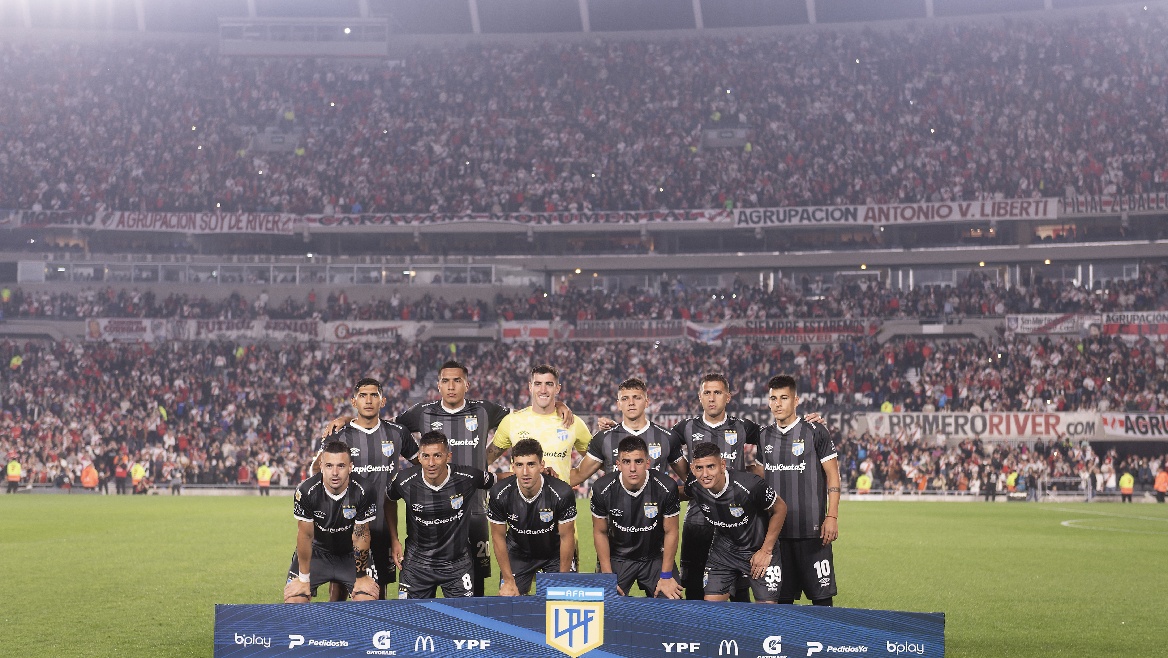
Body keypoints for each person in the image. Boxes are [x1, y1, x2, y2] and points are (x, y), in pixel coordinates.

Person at [322, 360, 572, 596]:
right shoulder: (422, 412)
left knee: (475, 581)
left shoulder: (485, 410)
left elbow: (524, 415)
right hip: (434, 507)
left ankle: (473, 634)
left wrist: (556, 406)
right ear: (438, 385)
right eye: (446, 381)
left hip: (475, 510)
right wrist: (347, 420)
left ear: (467, 384)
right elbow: (380, 423)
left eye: (457, 381)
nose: (451, 386)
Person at [314, 377, 419, 600]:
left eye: (374, 395)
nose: (369, 400)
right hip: (343, 527)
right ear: (354, 401)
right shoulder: (340, 434)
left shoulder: (397, 433)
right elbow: (317, 471)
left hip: (382, 526)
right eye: (363, 395)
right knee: (339, 590)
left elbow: (426, 465)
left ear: (383, 401)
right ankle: (338, 634)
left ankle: (376, 635)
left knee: (378, 591)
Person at [752, 375, 841, 607]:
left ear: (796, 400)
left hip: (813, 532)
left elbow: (833, 475)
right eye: (773, 398)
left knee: (821, 599)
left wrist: (831, 516)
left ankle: (825, 642)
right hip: (777, 536)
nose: (778, 403)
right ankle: (784, 644)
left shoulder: (815, 431)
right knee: (782, 601)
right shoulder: (764, 436)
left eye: (784, 398)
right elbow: (760, 479)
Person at [385, 431, 496, 599]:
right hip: (416, 566)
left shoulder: (467, 477)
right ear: (419, 457)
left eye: (437, 455)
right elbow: (388, 500)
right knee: (410, 622)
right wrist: (394, 539)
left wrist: (537, 475)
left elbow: (498, 479)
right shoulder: (404, 481)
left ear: (448, 456)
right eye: (426, 456)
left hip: (457, 565)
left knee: (464, 622)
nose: (431, 463)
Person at [683, 441, 787, 603]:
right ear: (692, 469)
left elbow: (780, 509)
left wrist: (766, 551)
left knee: (767, 611)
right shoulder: (693, 485)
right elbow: (678, 493)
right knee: (711, 608)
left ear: (722, 465)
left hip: (758, 549)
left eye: (711, 466)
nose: (705, 474)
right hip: (723, 551)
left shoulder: (750, 485)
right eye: (699, 468)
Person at [283, 440, 379, 603]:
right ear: (321, 466)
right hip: (317, 553)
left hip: (351, 555)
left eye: (341, 466)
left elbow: (361, 536)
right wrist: (304, 579)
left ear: (350, 467)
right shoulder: (306, 491)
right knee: (294, 602)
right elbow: (305, 536)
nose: (334, 472)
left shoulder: (364, 490)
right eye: (329, 466)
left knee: (367, 601)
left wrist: (361, 576)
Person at [590, 436, 683, 599]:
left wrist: (667, 576)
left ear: (647, 463)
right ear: (618, 465)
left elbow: (671, 532)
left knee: (671, 604)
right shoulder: (602, 488)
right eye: (626, 462)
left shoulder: (666, 487)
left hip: (655, 557)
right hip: (618, 557)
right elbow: (600, 532)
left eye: (638, 461)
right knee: (603, 604)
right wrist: (606, 575)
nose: (632, 468)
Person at [487, 439, 577, 595]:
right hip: (518, 552)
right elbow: (498, 538)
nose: (525, 472)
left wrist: (563, 578)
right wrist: (508, 580)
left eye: (531, 464)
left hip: (554, 553)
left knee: (562, 600)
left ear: (541, 465)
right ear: (513, 466)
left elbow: (567, 537)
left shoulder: (561, 492)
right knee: (510, 599)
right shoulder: (500, 493)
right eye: (520, 465)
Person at [570, 377, 686, 487]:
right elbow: (578, 474)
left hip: (655, 508)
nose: (631, 402)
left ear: (646, 402)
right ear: (618, 404)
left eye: (637, 397)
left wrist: (673, 494)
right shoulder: (604, 438)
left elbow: (691, 480)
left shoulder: (667, 437)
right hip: (615, 507)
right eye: (625, 399)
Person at [487, 365, 591, 484]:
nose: (543, 390)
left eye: (549, 384)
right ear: (530, 387)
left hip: (559, 501)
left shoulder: (573, 422)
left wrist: (565, 482)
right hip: (519, 500)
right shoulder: (512, 421)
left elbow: (596, 460)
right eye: (537, 384)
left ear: (557, 388)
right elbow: (484, 461)